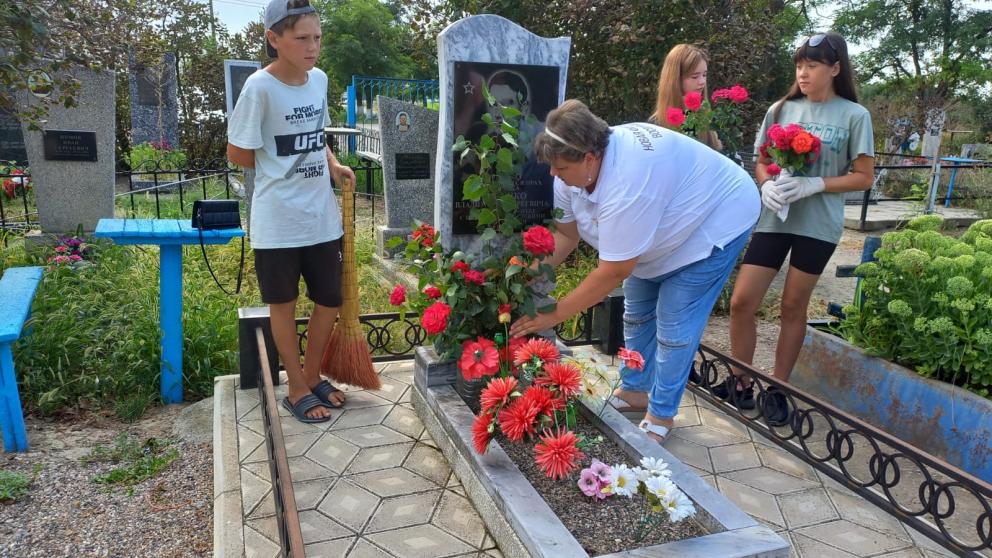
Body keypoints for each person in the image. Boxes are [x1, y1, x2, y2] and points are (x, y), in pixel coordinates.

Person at [509, 100, 760, 443]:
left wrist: (552, 314)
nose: (553, 174)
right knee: (636, 315)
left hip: (716, 219)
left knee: (674, 324)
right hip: (664, 225)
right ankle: (635, 390)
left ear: (590, 157)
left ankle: (661, 414)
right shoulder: (572, 172)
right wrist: (524, 278)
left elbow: (614, 271)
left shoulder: (629, 181)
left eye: (561, 167)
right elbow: (566, 235)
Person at [726, 32, 875, 425]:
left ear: (835, 68)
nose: (803, 73)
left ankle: (778, 388)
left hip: (818, 224)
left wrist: (817, 184)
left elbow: (863, 177)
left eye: (812, 65)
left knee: (793, 307)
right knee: (743, 301)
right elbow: (760, 159)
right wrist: (766, 184)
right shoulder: (781, 109)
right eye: (799, 65)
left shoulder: (854, 116)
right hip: (775, 217)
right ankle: (740, 381)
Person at [227, 0, 357, 423]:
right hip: (278, 220)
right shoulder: (259, 89)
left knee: (329, 300)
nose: (312, 47)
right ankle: (295, 386)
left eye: (317, 37)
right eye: (302, 38)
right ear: (274, 39)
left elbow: (315, 134)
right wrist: (278, 168)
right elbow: (237, 152)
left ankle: (312, 373)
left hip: (321, 217)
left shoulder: (317, 81)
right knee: (283, 304)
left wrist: (332, 164)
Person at [650, 44, 721, 151]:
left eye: (704, 75)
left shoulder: (705, 116)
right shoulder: (656, 126)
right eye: (695, 76)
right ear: (675, 79)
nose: (702, 82)